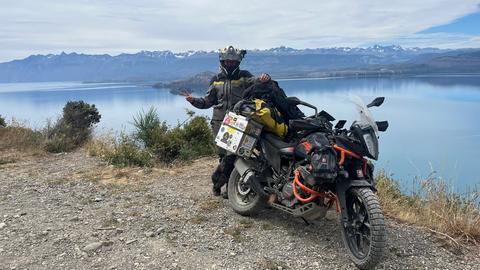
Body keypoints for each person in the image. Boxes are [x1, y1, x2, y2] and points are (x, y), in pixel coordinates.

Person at [183, 45, 270, 197]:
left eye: (232, 62)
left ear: (237, 62)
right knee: (224, 155)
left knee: (235, 154)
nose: (229, 64)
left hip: (240, 121)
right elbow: (208, 101)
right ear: (222, 62)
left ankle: (219, 182)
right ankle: (224, 187)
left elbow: (257, 83)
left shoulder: (244, 76)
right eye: (226, 61)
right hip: (220, 122)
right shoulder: (216, 80)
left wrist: (264, 78)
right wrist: (193, 101)